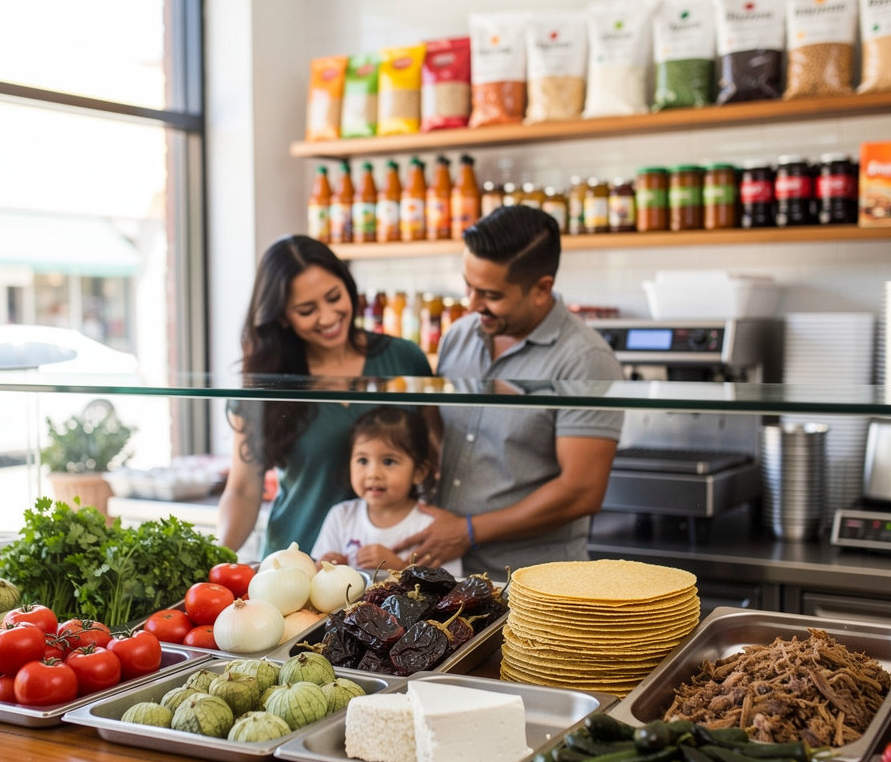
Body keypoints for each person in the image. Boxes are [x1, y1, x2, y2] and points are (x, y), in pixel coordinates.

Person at [394, 204, 624, 576]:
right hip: (449, 570)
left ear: (541, 289)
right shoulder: (459, 335)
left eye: (490, 295)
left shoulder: (586, 359)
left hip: (537, 580)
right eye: (468, 286)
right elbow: (441, 429)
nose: (472, 304)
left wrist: (468, 531)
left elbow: (582, 490)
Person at [216, 235, 432, 559]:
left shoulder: (405, 359)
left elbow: (436, 462)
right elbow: (244, 489)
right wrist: (216, 559)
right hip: (293, 566)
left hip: (389, 570)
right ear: (282, 317)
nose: (328, 316)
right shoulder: (266, 382)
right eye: (307, 310)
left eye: (334, 297)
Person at [311, 405, 461, 575]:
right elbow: (318, 579)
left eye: (388, 461)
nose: (373, 474)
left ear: (419, 472)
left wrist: (398, 568)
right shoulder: (341, 516)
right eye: (362, 461)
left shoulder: (431, 527)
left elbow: (449, 588)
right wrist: (326, 568)